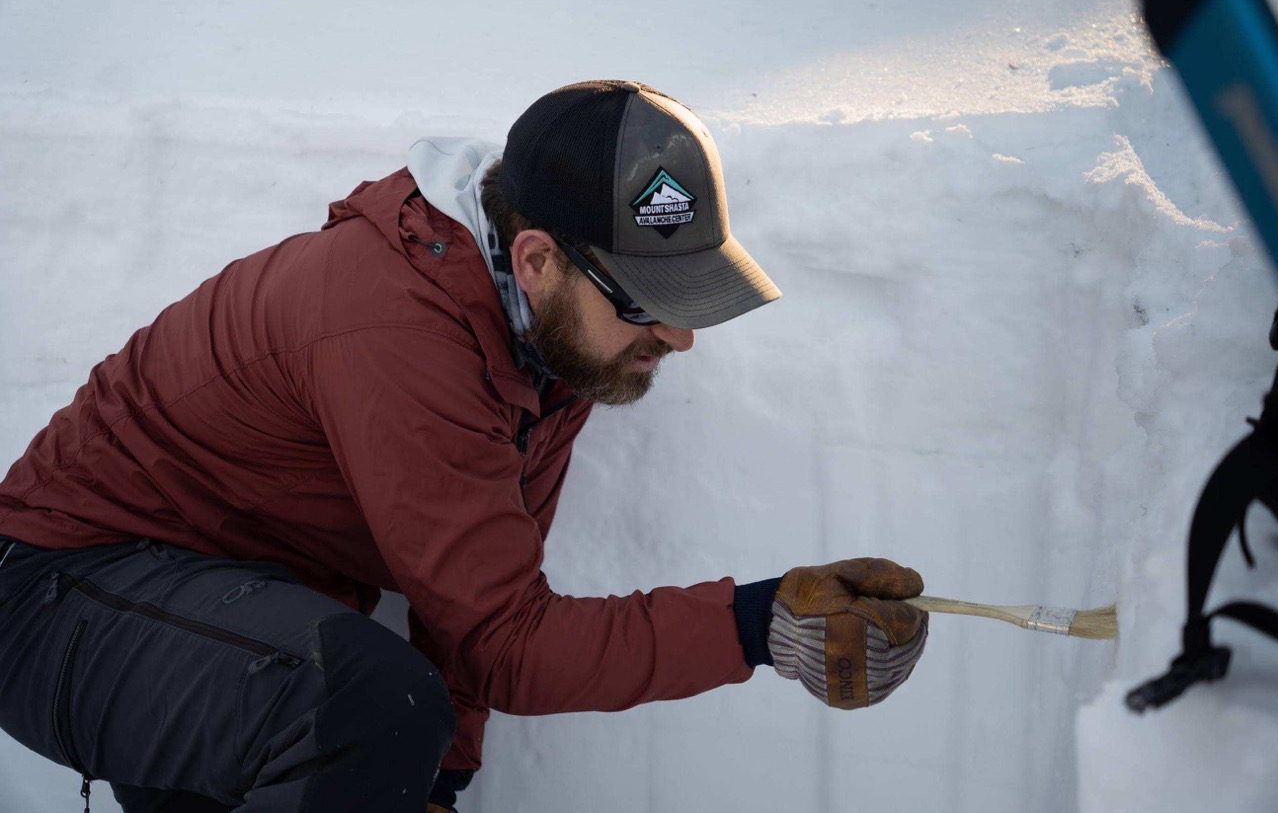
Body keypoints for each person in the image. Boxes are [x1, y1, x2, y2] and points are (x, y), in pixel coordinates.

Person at [0, 80, 929, 812]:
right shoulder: (399, 331)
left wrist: (436, 787)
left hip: (223, 628)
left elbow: (478, 604)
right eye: (649, 303)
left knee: (364, 717)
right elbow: (505, 643)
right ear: (536, 259)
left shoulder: (551, 351)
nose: (679, 338)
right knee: (359, 705)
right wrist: (755, 621)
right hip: (60, 597)